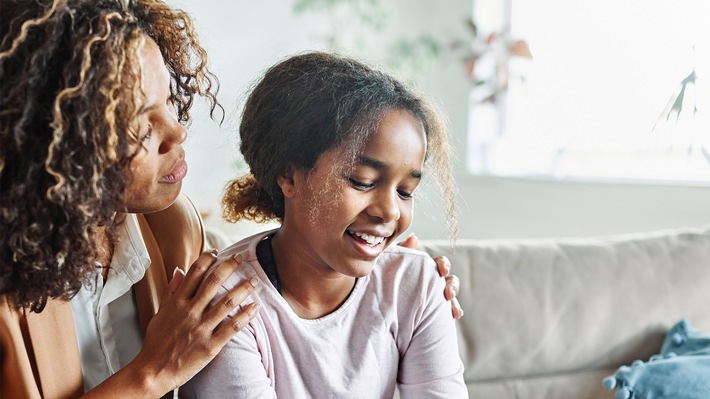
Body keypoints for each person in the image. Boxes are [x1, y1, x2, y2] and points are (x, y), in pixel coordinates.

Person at [0, 1, 462, 398]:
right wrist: (152, 372)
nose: (179, 131)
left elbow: (275, 264)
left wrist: (388, 264)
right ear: (55, 140)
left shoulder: (170, 229)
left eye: (170, 103)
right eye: (142, 122)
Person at [183, 52, 467, 398]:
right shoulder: (228, 303)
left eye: (406, 191)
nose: (390, 211)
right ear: (290, 176)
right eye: (363, 181)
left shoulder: (416, 286)